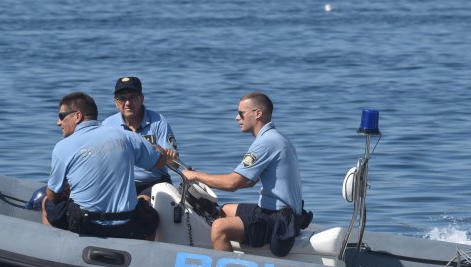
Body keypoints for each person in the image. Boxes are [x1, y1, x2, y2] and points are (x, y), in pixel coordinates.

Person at [181, 92, 308, 255]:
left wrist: (196, 176)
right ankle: (233, 253)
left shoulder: (266, 143)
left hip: (278, 220)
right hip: (279, 212)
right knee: (225, 210)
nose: (236, 118)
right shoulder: (275, 137)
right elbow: (249, 181)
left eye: (241, 113)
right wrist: (205, 179)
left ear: (258, 114)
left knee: (219, 227)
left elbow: (232, 183)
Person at [41, 91, 170, 240]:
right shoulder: (126, 136)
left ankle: (51, 248)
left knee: (46, 202)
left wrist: (64, 191)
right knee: (151, 215)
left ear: (78, 116)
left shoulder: (62, 147)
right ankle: (144, 254)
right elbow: (160, 160)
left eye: (61, 117)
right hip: (128, 225)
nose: (59, 123)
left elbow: (52, 195)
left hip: (86, 224)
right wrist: (159, 150)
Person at [101, 76, 179, 200]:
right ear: (116, 102)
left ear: (142, 99)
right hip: (119, 185)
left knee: (143, 202)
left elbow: (175, 163)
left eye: (132, 97)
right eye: (122, 98)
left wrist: (171, 159)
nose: (127, 103)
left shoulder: (158, 121)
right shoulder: (107, 125)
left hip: (155, 183)